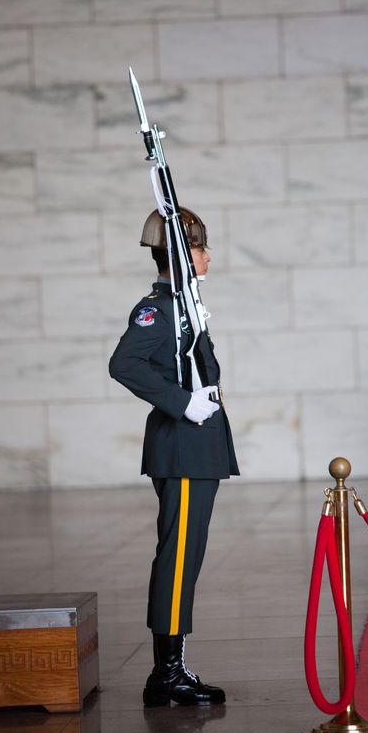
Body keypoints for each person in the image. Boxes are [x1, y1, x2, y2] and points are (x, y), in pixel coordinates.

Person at [109, 207, 239, 707]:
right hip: (182, 448)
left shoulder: (185, 306)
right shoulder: (159, 309)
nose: (208, 255)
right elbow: (124, 363)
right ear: (183, 255)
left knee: (187, 556)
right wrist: (181, 402)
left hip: (196, 449)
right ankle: (166, 673)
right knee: (178, 558)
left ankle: (172, 668)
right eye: (200, 247)